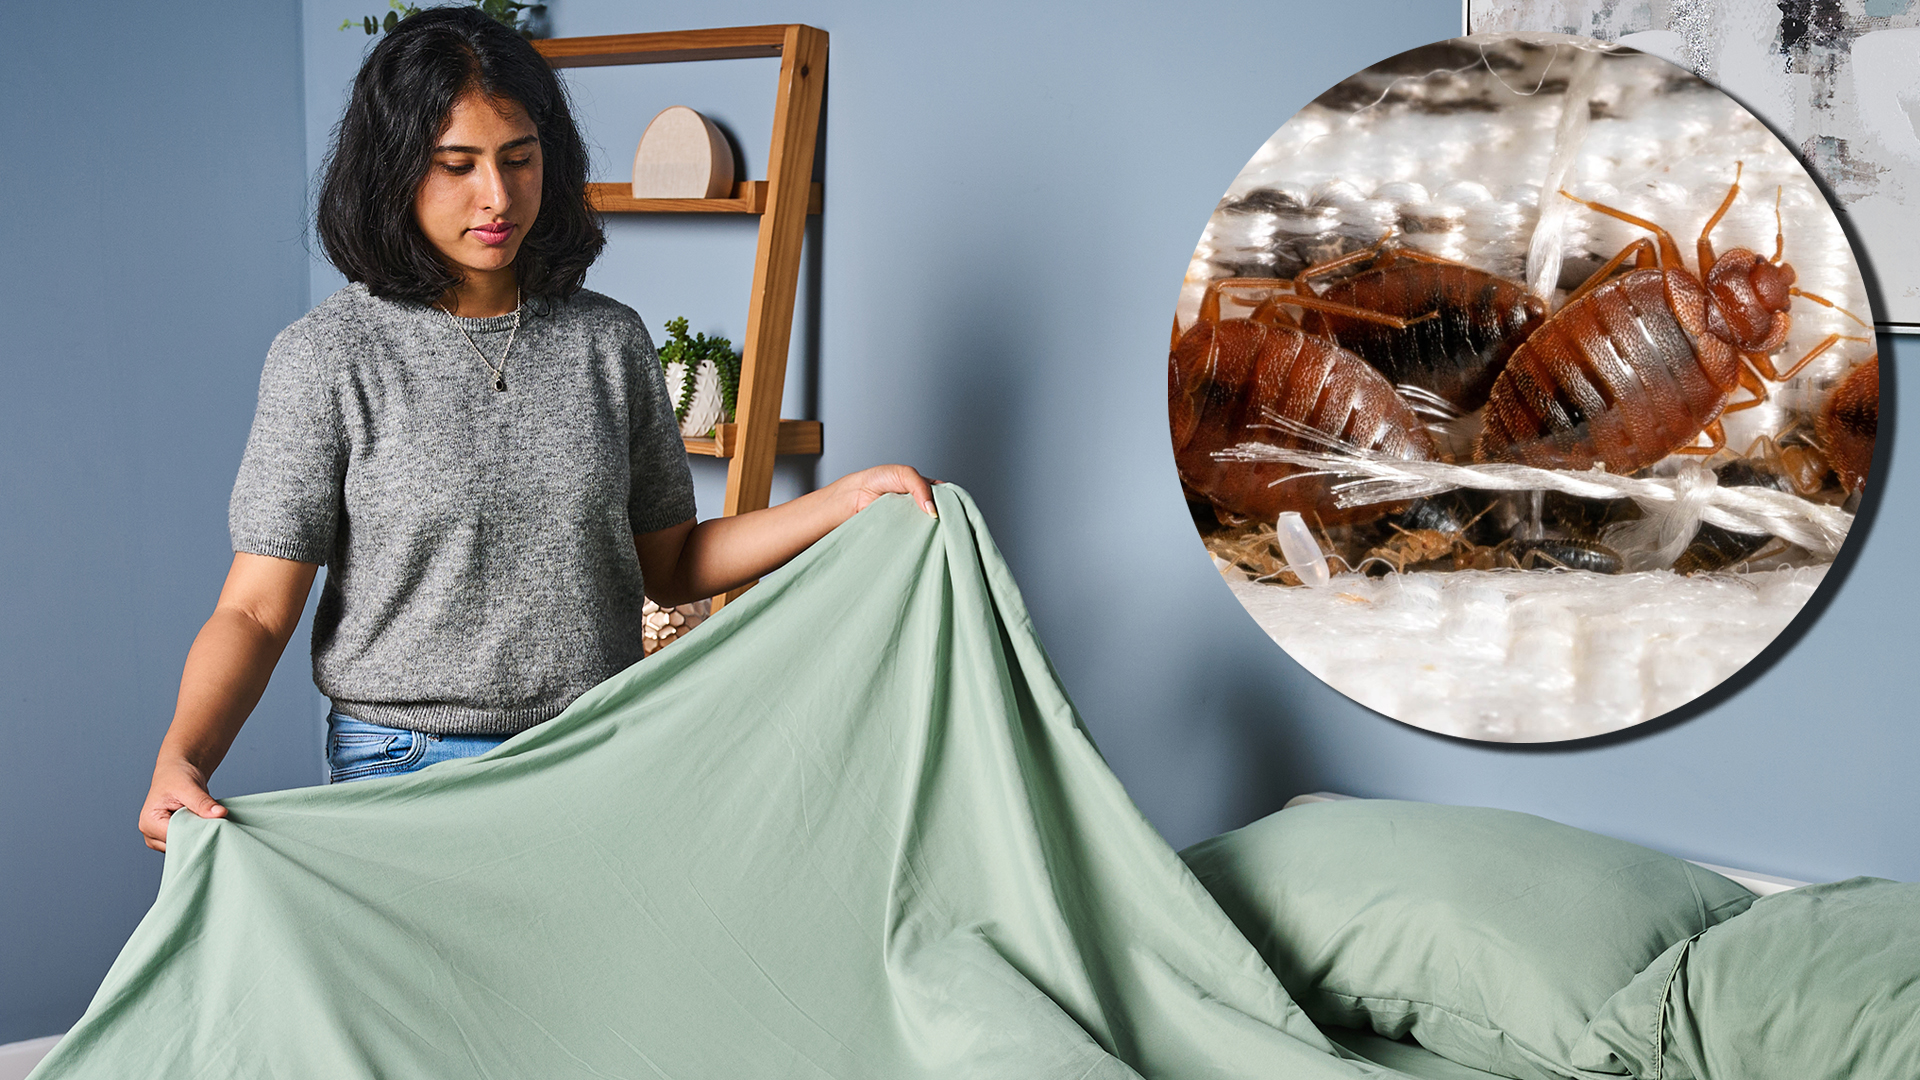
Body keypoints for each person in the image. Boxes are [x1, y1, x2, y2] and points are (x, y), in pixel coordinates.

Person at [138, 7, 934, 851]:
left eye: (520, 159)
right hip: (410, 769)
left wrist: (846, 501)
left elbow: (671, 564)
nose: (499, 196)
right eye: (458, 165)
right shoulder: (326, 358)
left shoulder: (609, 339)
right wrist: (181, 757)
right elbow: (258, 612)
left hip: (598, 752)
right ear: (393, 172)